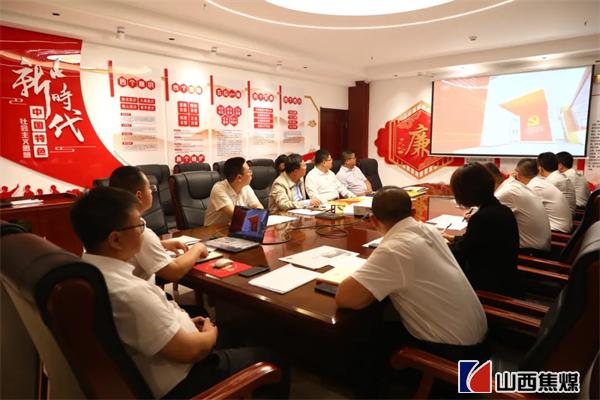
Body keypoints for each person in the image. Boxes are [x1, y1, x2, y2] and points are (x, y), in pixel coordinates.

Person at [70, 187, 289, 399]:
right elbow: (191, 351)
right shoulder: (130, 292)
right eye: (139, 225)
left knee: (233, 331)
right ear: (116, 240)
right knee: (274, 358)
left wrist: (182, 323)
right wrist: (210, 333)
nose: (143, 232)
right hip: (184, 380)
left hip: (169, 355)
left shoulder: (89, 274)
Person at [336, 186, 487, 395]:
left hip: (451, 359)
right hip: (479, 345)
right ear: (414, 213)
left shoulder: (394, 248)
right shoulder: (428, 230)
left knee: (363, 344)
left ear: (373, 220)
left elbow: (345, 298)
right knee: (381, 322)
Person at [109, 166, 209, 283]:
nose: (151, 191)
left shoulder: (113, 221)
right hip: (142, 292)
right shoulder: (138, 232)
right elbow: (174, 272)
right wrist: (198, 248)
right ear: (139, 195)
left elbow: (138, 250)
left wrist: (162, 244)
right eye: (149, 188)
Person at [444, 163, 521, 297]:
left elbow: (461, 252)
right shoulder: (501, 209)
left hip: (488, 288)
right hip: (506, 279)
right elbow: (476, 242)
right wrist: (452, 238)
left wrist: (438, 244)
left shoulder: (482, 217)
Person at [483, 163, 551, 253]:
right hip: (540, 246)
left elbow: (485, 220)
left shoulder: (505, 192)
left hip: (531, 253)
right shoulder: (511, 185)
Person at [515, 158, 573, 233]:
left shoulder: (534, 186)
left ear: (518, 174)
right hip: (562, 227)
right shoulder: (541, 181)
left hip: (556, 231)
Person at [204, 157, 263, 226]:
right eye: (249, 171)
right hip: (213, 231)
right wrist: (253, 217)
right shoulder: (219, 189)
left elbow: (260, 209)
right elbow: (235, 215)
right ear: (239, 177)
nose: (251, 173)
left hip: (235, 228)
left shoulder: (246, 187)